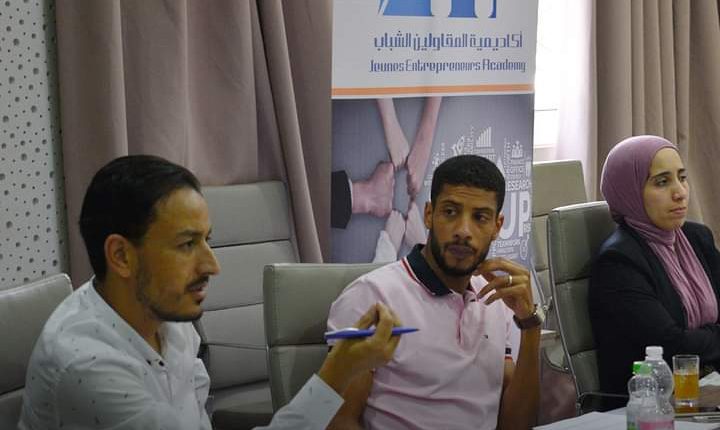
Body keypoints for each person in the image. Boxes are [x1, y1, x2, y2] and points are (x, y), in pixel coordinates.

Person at [19, 155, 402, 430]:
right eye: (187, 245)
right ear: (121, 256)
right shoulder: (90, 369)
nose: (212, 266)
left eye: (207, 241)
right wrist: (338, 371)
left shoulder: (165, 315)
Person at [326, 154, 542, 430]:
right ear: (429, 214)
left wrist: (530, 325)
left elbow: (517, 425)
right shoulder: (371, 297)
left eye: (480, 217)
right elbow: (339, 420)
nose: (463, 231)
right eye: (450, 212)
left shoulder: (496, 298)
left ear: (497, 227)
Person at [589, 135, 720, 404]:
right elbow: (672, 346)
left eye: (682, 178)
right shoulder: (618, 262)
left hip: (707, 390)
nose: (680, 192)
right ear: (628, 191)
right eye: (662, 182)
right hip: (650, 405)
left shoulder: (697, 238)